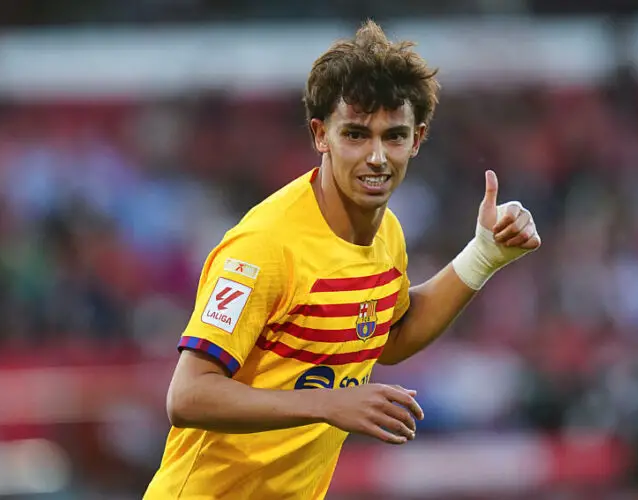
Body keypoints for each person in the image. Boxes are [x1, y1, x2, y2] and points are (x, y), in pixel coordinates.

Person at [144, 19, 540, 500]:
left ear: (417, 139)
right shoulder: (264, 247)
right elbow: (187, 396)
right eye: (355, 134)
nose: (376, 156)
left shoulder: (387, 232)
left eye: (393, 136)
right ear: (320, 135)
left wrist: (484, 255)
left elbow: (385, 338)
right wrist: (329, 403)